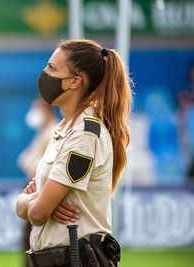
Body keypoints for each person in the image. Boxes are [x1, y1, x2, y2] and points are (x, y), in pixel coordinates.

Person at [16, 39, 131, 267]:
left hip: (76, 259)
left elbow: (38, 213)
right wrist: (36, 199)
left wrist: (33, 200)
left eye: (52, 68)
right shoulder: (64, 129)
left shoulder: (84, 134)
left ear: (74, 82)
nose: (44, 73)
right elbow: (35, 207)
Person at [18, 96, 59, 267]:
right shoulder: (43, 133)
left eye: (37, 108)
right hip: (34, 190)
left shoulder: (53, 132)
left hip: (41, 191)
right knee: (28, 239)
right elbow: (24, 160)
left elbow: (38, 166)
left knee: (33, 239)